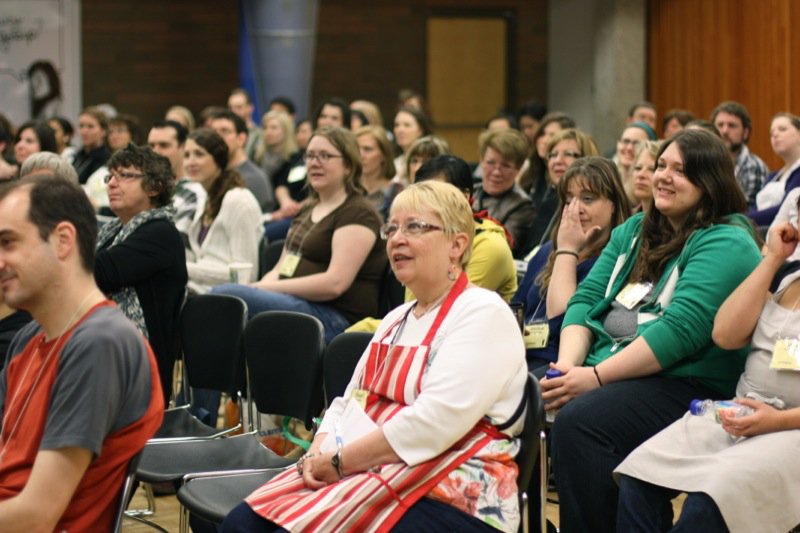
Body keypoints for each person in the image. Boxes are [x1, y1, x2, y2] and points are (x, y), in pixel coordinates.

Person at [219, 180, 527, 532]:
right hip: (373, 468)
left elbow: (433, 422)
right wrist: (317, 454)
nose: (397, 239)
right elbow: (347, 403)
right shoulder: (396, 319)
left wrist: (339, 462)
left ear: (457, 245)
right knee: (241, 524)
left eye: (414, 227)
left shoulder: (483, 312)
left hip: (454, 495)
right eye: (391, 228)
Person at [540, 129, 762, 532]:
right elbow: (585, 301)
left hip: (688, 382)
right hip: (616, 368)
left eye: (681, 170)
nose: (663, 176)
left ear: (710, 181)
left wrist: (593, 377)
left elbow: (679, 331)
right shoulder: (635, 230)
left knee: (581, 422)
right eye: (661, 165)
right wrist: (567, 370)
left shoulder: (727, 241)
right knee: (522, 395)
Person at [615, 215, 800, 533]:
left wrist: (777, 420)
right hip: (740, 412)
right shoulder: (785, 276)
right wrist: (772, 259)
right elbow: (725, 334)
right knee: (639, 477)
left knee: (710, 503)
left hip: (790, 427)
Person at [0, 176, 163, 530]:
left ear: (62, 240)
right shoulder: (29, 338)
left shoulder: (101, 343)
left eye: (8, 242)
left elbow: (36, 516)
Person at [212, 127, 386, 343]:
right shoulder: (307, 209)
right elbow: (279, 269)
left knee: (226, 295)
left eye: (325, 156)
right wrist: (258, 289)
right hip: (296, 303)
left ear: (348, 165)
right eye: (310, 156)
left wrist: (261, 288)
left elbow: (335, 283)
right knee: (225, 300)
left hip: (335, 318)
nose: (314, 163)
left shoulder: (357, 212)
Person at [513, 157, 630, 373]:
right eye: (569, 201)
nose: (576, 209)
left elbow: (561, 320)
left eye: (588, 199)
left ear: (613, 204)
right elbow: (517, 308)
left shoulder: (617, 260)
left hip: (565, 364)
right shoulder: (547, 251)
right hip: (521, 356)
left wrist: (568, 250)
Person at [95, 144, 188, 403]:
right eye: (110, 176)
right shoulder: (112, 231)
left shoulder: (160, 233)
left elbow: (97, 273)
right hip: (107, 352)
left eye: (125, 175)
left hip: (141, 373)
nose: (112, 183)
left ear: (154, 187)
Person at [183, 128, 263, 294]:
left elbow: (244, 275)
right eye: (186, 155)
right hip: (197, 290)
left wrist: (185, 269)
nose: (191, 162)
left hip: (224, 298)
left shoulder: (238, 200)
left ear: (218, 159)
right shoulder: (205, 198)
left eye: (199, 154)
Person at [521, 127, 600, 256]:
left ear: (587, 159)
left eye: (568, 154)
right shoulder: (548, 203)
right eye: (553, 155)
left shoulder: (592, 208)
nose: (557, 161)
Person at [472, 128, 535, 258]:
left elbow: (502, 245)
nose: (496, 172)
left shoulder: (523, 206)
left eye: (505, 166)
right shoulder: (469, 192)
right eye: (490, 163)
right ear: (481, 161)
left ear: (518, 169)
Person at [147, 119, 207, 238]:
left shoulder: (194, 193)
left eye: (164, 145)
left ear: (183, 147)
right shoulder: (145, 188)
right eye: (152, 145)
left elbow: (175, 241)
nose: (155, 152)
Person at [210, 110, 275, 213]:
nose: (217, 137)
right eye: (214, 132)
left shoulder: (253, 178)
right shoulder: (213, 174)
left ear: (241, 139)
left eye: (225, 131)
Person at [711, 100, 768, 209]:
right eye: (720, 125)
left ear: (745, 133)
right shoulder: (707, 161)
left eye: (732, 126)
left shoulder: (754, 166)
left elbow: (745, 211)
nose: (724, 131)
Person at [749, 112, 800, 226]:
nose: (775, 134)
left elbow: (784, 210)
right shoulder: (773, 176)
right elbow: (755, 207)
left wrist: (744, 219)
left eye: (782, 129)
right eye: (772, 133)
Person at [355, 125, 400, 220]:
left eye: (367, 149)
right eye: (356, 149)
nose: (360, 155)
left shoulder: (396, 193)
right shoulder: (346, 190)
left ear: (383, 155)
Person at [612, 121, 658, 205]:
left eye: (637, 143)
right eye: (626, 141)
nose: (629, 148)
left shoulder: (645, 189)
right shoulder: (607, 178)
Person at [72, 106, 111, 185]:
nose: (84, 131)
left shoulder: (107, 160)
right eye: (81, 126)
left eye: (90, 126)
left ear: (103, 131)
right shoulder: (78, 156)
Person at [393, 106, 432, 182]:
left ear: (420, 130)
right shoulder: (395, 163)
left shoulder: (430, 161)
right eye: (397, 125)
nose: (400, 130)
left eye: (407, 125)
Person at [228, 88, 262, 161]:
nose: (233, 111)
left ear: (250, 108)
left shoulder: (259, 135)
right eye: (231, 108)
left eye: (239, 107)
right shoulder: (227, 135)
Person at [630, 140, 661, 213]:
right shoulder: (628, 217)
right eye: (638, 168)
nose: (641, 175)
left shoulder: (673, 219)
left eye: (652, 169)